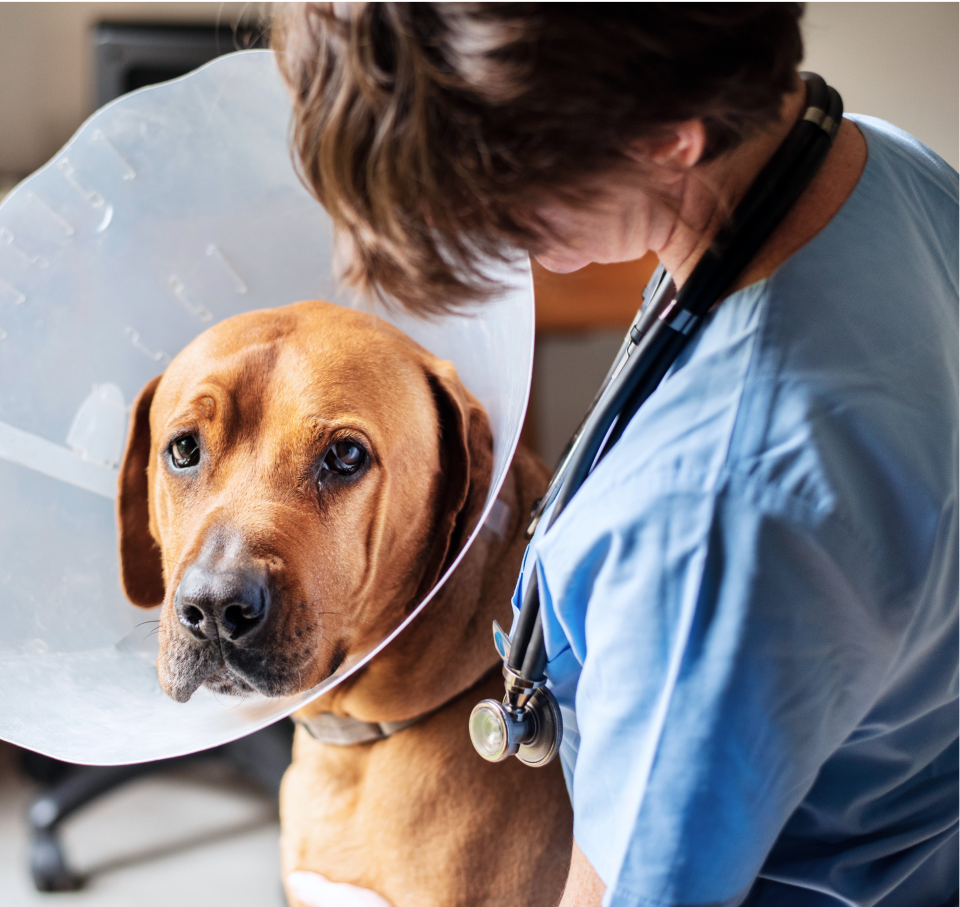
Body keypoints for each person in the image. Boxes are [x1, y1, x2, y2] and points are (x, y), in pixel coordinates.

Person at [272, 3, 960, 905]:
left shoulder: (713, 513)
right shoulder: (884, 162)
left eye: (499, 188)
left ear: (670, 136)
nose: (490, 231)